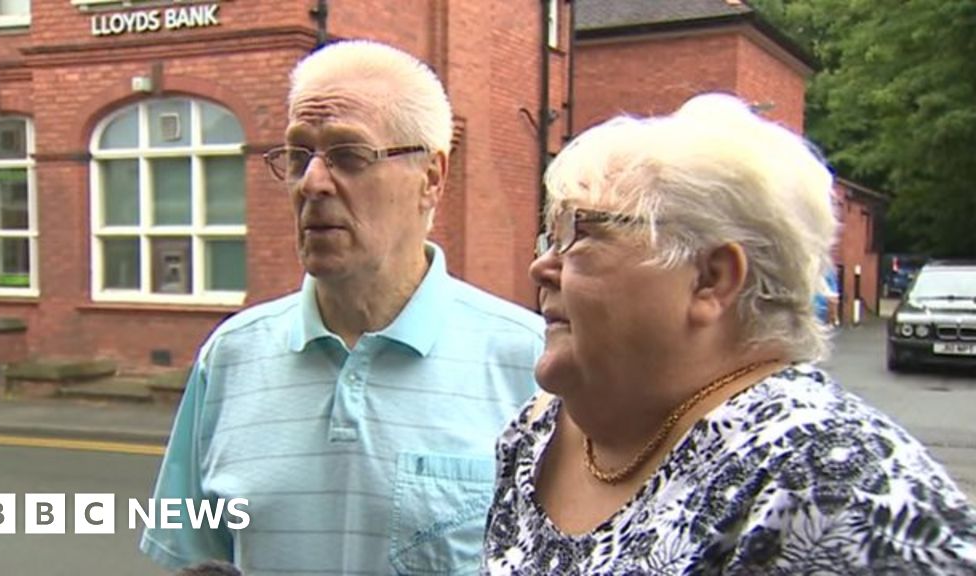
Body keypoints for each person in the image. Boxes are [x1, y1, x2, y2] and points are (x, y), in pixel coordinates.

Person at [483, 94, 976, 574]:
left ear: (711, 279)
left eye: (583, 234)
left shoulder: (838, 482)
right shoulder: (540, 429)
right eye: (552, 235)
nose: (540, 266)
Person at [141, 39, 543, 575]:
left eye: (349, 156)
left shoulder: (532, 364)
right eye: (299, 154)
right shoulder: (230, 357)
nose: (312, 182)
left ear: (432, 178)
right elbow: (195, 558)